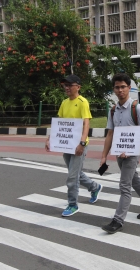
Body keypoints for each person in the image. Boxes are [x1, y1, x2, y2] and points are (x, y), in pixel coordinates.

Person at [100, 73, 140, 234]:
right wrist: (104, 155)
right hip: (119, 152)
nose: (120, 90)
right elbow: (110, 134)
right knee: (134, 179)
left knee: (124, 185)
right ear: (114, 89)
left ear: (129, 87)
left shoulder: (137, 108)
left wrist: (133, 146)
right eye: (117, 87)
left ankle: (118, 220)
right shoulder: (113, 110)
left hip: (132, 152)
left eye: (123, 87)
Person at [45, 74, 103, 217]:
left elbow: (86, 123)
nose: (67, 87)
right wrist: (50, 139)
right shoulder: (64, 103)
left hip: (79, 145)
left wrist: (82, 143)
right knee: (75, 172)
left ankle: (72, 204)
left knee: (72, 177)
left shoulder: (83, 102)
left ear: (78, 86)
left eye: (70, 85)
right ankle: (95, 187)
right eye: (65, 85)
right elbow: (59, 123)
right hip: (67, 145)